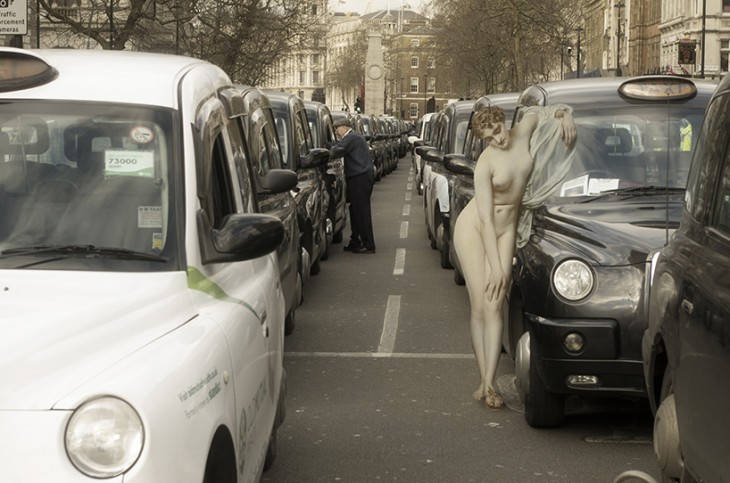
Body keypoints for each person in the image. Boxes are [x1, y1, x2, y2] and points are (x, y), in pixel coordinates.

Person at [453, 103, 577, 409]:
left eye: (497, 130)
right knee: (481, 305)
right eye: (489, 137)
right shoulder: (486, 162)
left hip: (507, 228)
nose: (497, 139)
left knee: (496, 303)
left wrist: (566, 116)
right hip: (475, 229)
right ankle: (487, 382)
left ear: (504, 121)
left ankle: (489, 381)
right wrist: (496, 266)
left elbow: (548, 110)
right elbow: (484, 220)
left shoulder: (523, 130)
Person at [329, 117, 376, 254]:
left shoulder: (351, 138)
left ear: (344, 127)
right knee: (355, 210)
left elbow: (337, 151)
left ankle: (368, 244)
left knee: (361, 211)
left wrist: (325, 152)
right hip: (359, 177)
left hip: (359, 178)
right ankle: (356, 241)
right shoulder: (354, 137)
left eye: (337, 129)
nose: (337, 133)